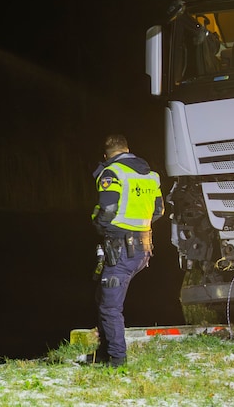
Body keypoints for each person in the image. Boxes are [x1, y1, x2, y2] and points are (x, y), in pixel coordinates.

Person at [90, 134, 163, 367]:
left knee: (110, 306)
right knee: (103, 297)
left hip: (121, 249)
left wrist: (98, 223)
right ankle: (104, 352)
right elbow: (159, 210)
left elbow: (108, 209)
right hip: (143, 248)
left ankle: (117, 359)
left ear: (106, 155)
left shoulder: (112, 173)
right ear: (127, 150)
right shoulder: (150, 175)